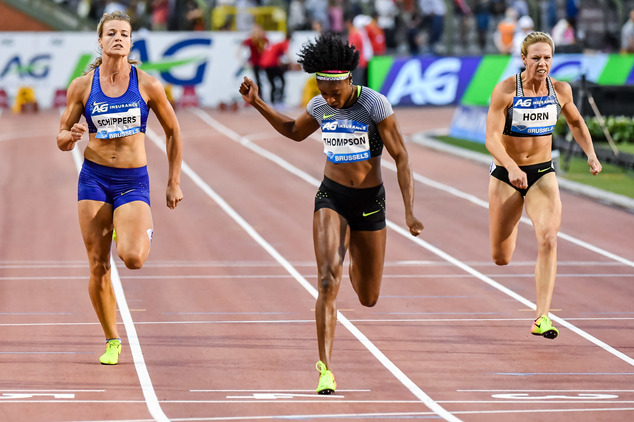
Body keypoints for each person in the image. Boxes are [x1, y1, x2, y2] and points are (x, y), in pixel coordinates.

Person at [238, 32, 423, 394]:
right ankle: (325, 368)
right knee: (326, 279)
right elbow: (293, 131)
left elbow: (401, 157)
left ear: (349, 80)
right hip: (332, 197)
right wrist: (258, 103)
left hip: (370, 202)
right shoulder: (320, 106)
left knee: (368, 297)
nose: (329, 99)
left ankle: (355, 255)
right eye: (322, 90)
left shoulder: (374, 105)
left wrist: (410, 212)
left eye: (335, 92)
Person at [56, 11, 183, 365]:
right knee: (98, 265)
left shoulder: (147, 84)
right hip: (94, 179)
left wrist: (173, 181)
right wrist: (72, 136)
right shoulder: (83, 86)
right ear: (100, 41)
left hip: (132, 181)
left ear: (131, 41)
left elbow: (173, 131)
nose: (117, 38)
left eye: (124, 34)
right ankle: (112, 339)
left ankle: (125, 231)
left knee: (133, 258)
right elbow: (61, 137)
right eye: (111, 33)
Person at [485, 32, 601, 340]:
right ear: (523, 59)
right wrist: (510, 167)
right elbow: (491, 139)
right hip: (506, 175)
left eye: (547, 57)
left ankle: (542, 317)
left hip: (541, 173)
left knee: (549, 238)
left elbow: (576, 122)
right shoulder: (506, 90)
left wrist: (591, 155)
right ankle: (514, 220)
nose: (542, 63)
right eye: (536, 57)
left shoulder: (560, 90)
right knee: (501, 257)